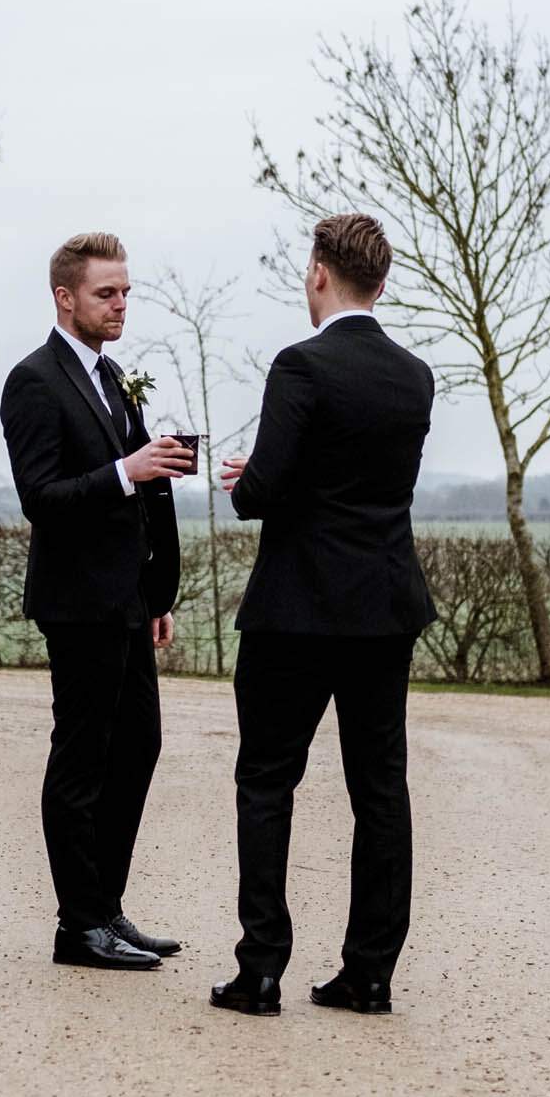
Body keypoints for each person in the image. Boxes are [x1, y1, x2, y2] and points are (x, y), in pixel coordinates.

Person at [210, 213, 436, 1016]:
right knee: (381, 788)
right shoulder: (414, 376)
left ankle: (261, 968)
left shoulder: (300, 365)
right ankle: (370, 972)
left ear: (318, 274)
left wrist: (248, 479)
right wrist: (277, 472)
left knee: (268, 780)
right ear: (380, 281)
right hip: (382, 603)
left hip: (297, 609)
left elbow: (265, 492)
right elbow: (358, 482)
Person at [0, 232, 194, 970]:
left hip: (126, 601)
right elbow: (42, 499)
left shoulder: (113, 378)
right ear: (65, 297)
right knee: (81, 761)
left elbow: (139, 498)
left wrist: (154, 590)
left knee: (138, 747)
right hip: (76, 604)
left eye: (125, 292)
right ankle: (78, 928)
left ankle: (105, 909)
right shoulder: (33, 381)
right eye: (106, 293)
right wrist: (125, 469)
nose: (120, 304)